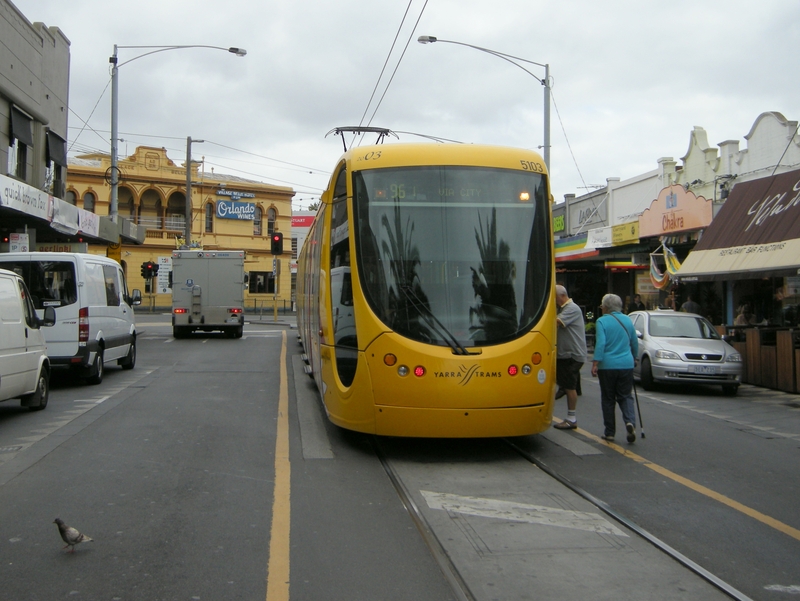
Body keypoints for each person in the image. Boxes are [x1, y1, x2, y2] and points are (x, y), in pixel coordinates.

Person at [591, 293, 638, 443]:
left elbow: (601, 343)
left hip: (607, 365)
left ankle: (610, 432)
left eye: (602, 306)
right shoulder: (628, 320)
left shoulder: (601, 321)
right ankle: (630, 422)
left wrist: (595, 362)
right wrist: (634, 357)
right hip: (626, 363)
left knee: (608, 398)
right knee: (625, 396)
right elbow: (634, 342)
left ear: (605, 307)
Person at [553, 285, 588, 430]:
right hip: (564, 354)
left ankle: (571, 418)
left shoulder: (571, 308)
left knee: (570, 387)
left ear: (560, 296)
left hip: (572, 354)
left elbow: (556, 322)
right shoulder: (562, 309)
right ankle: (561, 386)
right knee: (565, 383)